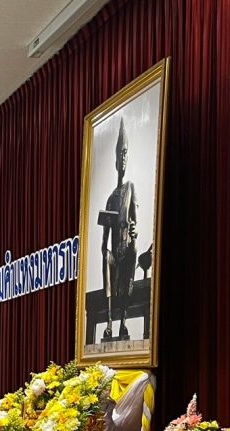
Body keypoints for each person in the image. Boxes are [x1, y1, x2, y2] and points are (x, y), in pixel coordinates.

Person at [98, 117, 139, 340]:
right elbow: (105, 236)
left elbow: (135, 223)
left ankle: (123, 320)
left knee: (134, 249)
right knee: (106, 257)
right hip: (114, 251)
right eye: (119, 155)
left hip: (127, 248)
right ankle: (109, 322)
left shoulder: (131, 188)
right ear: (115, 162)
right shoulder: (110, 198)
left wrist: (134, 232)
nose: (122, 158)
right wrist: (104, 248)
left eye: (125, 154)